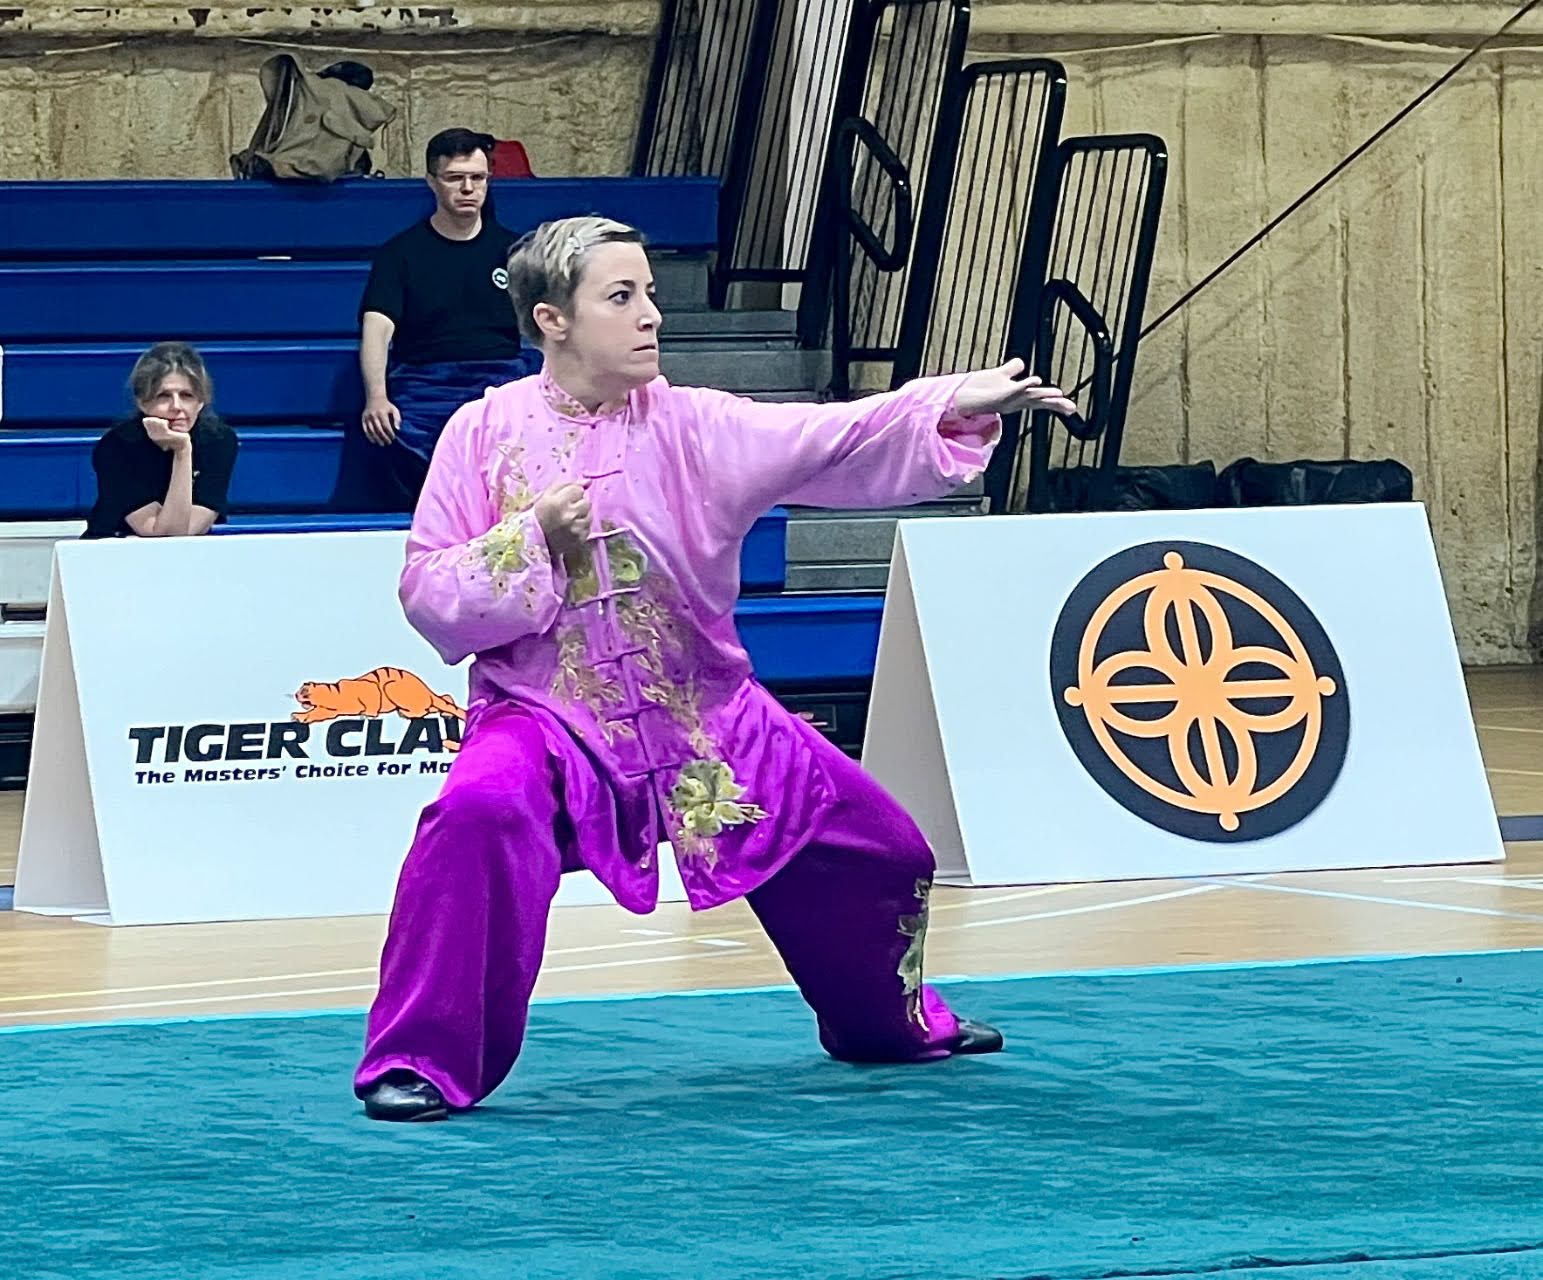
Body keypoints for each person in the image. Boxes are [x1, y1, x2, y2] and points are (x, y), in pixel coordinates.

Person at [354, 216, 1079, 1122]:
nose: (651, 315)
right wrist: (531, 537)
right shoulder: (480, 432)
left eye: (651, 293)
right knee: (477, 812)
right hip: (545, 720)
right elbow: (427, 591)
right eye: (621, 297)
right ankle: (420, 1061)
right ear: (552, 319)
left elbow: (832, 434)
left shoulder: (698, 424)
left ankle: (888, 1025)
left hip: (708, 723)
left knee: (884, 850)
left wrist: (949, 401)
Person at [334, 127, 540, 511]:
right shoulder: (400, 254)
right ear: (432, 181)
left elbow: (548, 323)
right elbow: (377, 328)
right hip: (424, 384)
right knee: (389, 432)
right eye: (454, 178)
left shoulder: (516, 252)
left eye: (477, 178)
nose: (468, 188)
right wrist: (377, 397)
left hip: (499, 382)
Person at [82, 342, 238, 540]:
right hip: (113, 547)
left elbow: (183, 533)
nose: (177, 406)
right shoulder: (117, 446)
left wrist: (183, 451)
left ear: (200, 402)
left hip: (185, 552)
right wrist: (183, 451)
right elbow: (165, 535)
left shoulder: (218, 441)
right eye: (163, 396)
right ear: (142, 402)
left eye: (187, 396)